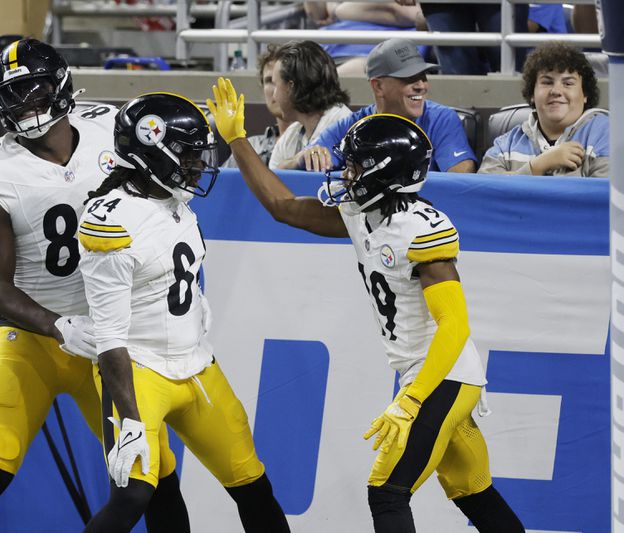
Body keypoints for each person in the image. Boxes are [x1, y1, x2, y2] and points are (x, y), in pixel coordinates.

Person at [208, 77, 525, 533]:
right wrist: (237, 139)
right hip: (427, 373)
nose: (346, 175)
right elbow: (283, 207)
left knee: (387, 492)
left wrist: (411, 400)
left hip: (445, 375)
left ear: (384, 174)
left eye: (355, 168)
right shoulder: (363, 213)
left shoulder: (422, 230)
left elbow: (455, 325)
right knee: (474, 489)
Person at [0, 39, 189, 533]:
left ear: (59, 85)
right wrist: (59, 326)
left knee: (156, 471)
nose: (24, 105)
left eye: (33, 91)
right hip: (33, 337)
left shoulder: (107, 127)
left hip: (110, 341)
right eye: (12, 96)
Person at [78, 92, 290, 533]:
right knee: (134, 494)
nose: (197, 165)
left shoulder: (171, 201)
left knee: (252, 483)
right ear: (151, 151)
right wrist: (131, 418)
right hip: (139, 369)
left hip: (196, 365)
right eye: (188, 154)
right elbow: (110, 338)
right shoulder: (113, 222)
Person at [294, 38, 476, 174]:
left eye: (423, 76)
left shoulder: (441, 119)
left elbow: (462, 176)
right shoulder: (351, 125)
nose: (421, 85)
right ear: (378, 86)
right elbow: (285, 169)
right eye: (409, 78)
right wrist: (305, 157)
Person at [479, 41, 609, 177]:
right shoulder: (505, 145)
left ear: (585, 94)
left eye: (568, 83)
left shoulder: (607, 134)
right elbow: (482, 192)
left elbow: (607, 194)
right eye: (547, 82)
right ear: (532, 94)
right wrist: (538, 165)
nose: (556, 91)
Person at [266, 40, 352, 170]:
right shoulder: (291, 134)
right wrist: (295, 162)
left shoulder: (345, 126)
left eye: (276, 85)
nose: (274, 96)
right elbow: (270, 182)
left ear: (291, 87)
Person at [394, 0, 528, 75]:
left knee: (511, 71)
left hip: (501, 3)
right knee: (457, 74)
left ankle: (517, 122)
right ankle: (462, 124)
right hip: (442, 5)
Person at [304, 1, 425, 76]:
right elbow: (318, 15)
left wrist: (341, 9)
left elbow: (411, 14)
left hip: (371, 55)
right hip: (327, 46)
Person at [222, 45, 290, 168]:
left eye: (282, 78)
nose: (276, 89)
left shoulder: (316, 141)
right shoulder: (250, 146)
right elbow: (220, 184)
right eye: (269, 80)